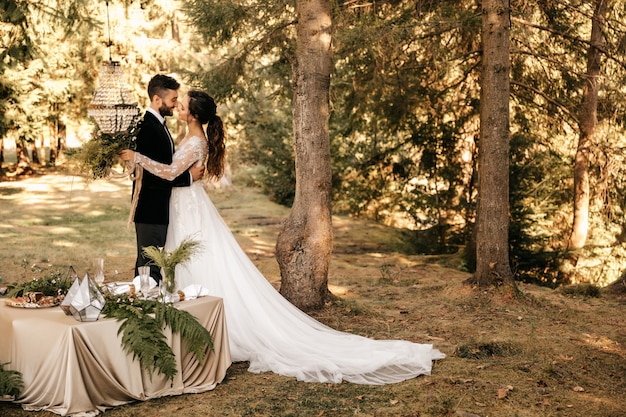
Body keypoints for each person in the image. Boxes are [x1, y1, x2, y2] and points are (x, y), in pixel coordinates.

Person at [120, 90, 445, 385]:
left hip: (188, 210)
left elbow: (168, 172)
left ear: (192, 114)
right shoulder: (194, 137)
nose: (179, 105)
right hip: (186, 206)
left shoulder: (194, 141)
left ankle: (209, 331)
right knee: (188, 261)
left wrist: (136, 158)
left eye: (184, 103)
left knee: (195, 261)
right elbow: (180, 174)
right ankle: (190, 328)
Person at [131, 74, 204, 282]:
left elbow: (163, 167)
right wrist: (187, 178)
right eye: (172, 100)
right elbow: (153, 176)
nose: (175, 104)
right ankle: (147, 309)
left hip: (159, 208)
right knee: (149, 267)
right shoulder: (147, 127)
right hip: (150, 208)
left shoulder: (159, 125)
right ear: (156, 99)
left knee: (151, 266)